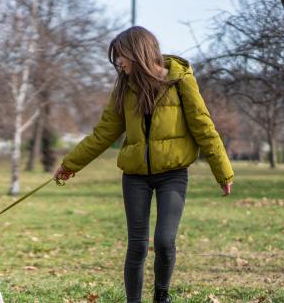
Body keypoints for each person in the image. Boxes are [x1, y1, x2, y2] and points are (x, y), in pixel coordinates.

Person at [53, 26, 234, 303]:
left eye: (121, 56)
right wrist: (70, 164)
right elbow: (103, 133)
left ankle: (162, 295)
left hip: (173, 174)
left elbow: (203, 126)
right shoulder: (124, 88)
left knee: (163, 241)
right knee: (137, 246)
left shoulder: (180, 81)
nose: (118, 63)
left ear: (139, 51)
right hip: (135, 176)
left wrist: (222, 170)